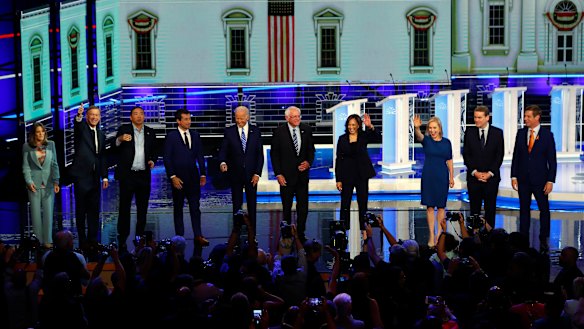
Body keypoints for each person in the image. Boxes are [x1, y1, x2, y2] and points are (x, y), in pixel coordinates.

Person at [510, 105, 557, 253]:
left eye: (528, 116)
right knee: (524, 210)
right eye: (525, 116)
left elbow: (552, 160)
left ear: (537, 117)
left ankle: (543, 239)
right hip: (523, 179)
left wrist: (550, 180)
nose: (525, 119)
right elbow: (516, 156)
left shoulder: (547, 135)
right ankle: (523, 238)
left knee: (544, 210)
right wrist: (514, 175)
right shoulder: (521, 133)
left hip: (540, 180)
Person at [163, 109, 208, 246]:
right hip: (178, 178)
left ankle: (198, 235)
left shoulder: (195, 135)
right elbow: (167, 158)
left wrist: (203, 173)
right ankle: (179, 238)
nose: (189, 121)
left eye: (189, 119)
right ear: (178, 121)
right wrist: (172, 176)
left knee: (195, 208)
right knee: (178, 208)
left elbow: (200, 155)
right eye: (186, 119)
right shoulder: (171, 136)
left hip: (193, 178)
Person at [270, 106, 315, 241]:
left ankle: (300, 233)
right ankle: (287, 232)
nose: (297, 119)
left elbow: (311, 150)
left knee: (303, 207)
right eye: (294, 116)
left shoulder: (306, 129)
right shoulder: (279, 132)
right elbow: (275, 155)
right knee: (287, 207)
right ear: (287, 118)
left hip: (302, 177)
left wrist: (308, 162)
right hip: (286, 177)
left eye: (298, 116)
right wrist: (278, 174)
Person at [114, 106, 156, 249]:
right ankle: (123, 236)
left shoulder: (150, 132)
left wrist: (152, 160)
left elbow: (155, 151)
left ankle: (140, 235)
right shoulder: (124, 129)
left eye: (141, 114)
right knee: (124, 207)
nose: (139, 116)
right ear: (131, 117)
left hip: (143, 175)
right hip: (128, 175)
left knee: (142, 207)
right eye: (136, 114)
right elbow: (114, 146)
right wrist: (120, 139)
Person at [218, 106, 264, 229]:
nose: (239, 121)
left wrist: (257, 173)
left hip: (251, 174)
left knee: (252, 203)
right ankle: (237, 230)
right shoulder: (229, 131)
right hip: (235, 173)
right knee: (236, 203)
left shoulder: (256, 131)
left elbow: (260, 155)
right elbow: (223, 150)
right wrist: (222, 162)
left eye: (242, 118)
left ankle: (252, 230)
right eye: (237, 118)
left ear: (247, 117)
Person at [335, 113, 380, 234]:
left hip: (362, 174)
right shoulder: (342, 139)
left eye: (354, 124)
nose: (351, 127)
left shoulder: (364, 136)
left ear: (358, 125)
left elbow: (377, 137)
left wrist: (370, 126)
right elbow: (338, 158)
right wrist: (338, 179)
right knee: (345, 202)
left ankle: (364, 228)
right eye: (349, 125)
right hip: (346, 175)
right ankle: (343, 229)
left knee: (363, 202)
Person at [70, 105, 108, 249]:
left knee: (94, 210)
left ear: (99, 117)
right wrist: (78, 115)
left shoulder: (101, 134)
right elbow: (78, 125)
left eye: (97, 115)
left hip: (95, 178)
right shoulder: (83, 130)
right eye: (91, 115)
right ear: (87, 116)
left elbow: (102, 157)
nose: (94, 117)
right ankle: (82, 240)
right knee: (81, 210)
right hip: (81, 176)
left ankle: (93, 240)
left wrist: (104, 176)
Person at [414, 115, 454, 247]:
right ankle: (431, 235)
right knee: (430, 207)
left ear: (439, 128)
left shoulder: (447, 142)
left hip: (442, 176)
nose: (432, 130)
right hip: (429, 176)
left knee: (441, 207)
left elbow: (449, 160)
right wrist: (416, 128)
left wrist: (452, 177)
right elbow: (419, 136)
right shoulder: (426, 141)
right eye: (430, 128)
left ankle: (440, 234)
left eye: (434, 128)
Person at [462, 106, 504, 228]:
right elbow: (466, 155)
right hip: (474, 179)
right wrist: (475, 172)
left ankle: (490, 237)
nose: (476, 120)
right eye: (475, 117)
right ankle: (474, 238)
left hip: (491, 179)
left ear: (487, 118)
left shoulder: (497, 133)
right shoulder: (469, 133)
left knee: (490, 210)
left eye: (479, 117)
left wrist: (489, 173)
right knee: (474, 211)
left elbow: (499, 156)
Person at [22, 122, 60, 247]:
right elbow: (26, 167)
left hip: (48, 183)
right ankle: (38, 240)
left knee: (48, 213)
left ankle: (48, 240)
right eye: (38, 132)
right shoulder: (27, 146)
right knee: (35, 214)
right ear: (33, 134)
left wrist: (56, 181)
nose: (41, 134)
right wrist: (28, 182)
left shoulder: (51, 144)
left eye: (42, 131)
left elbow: (54, 164)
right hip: (34, 184)